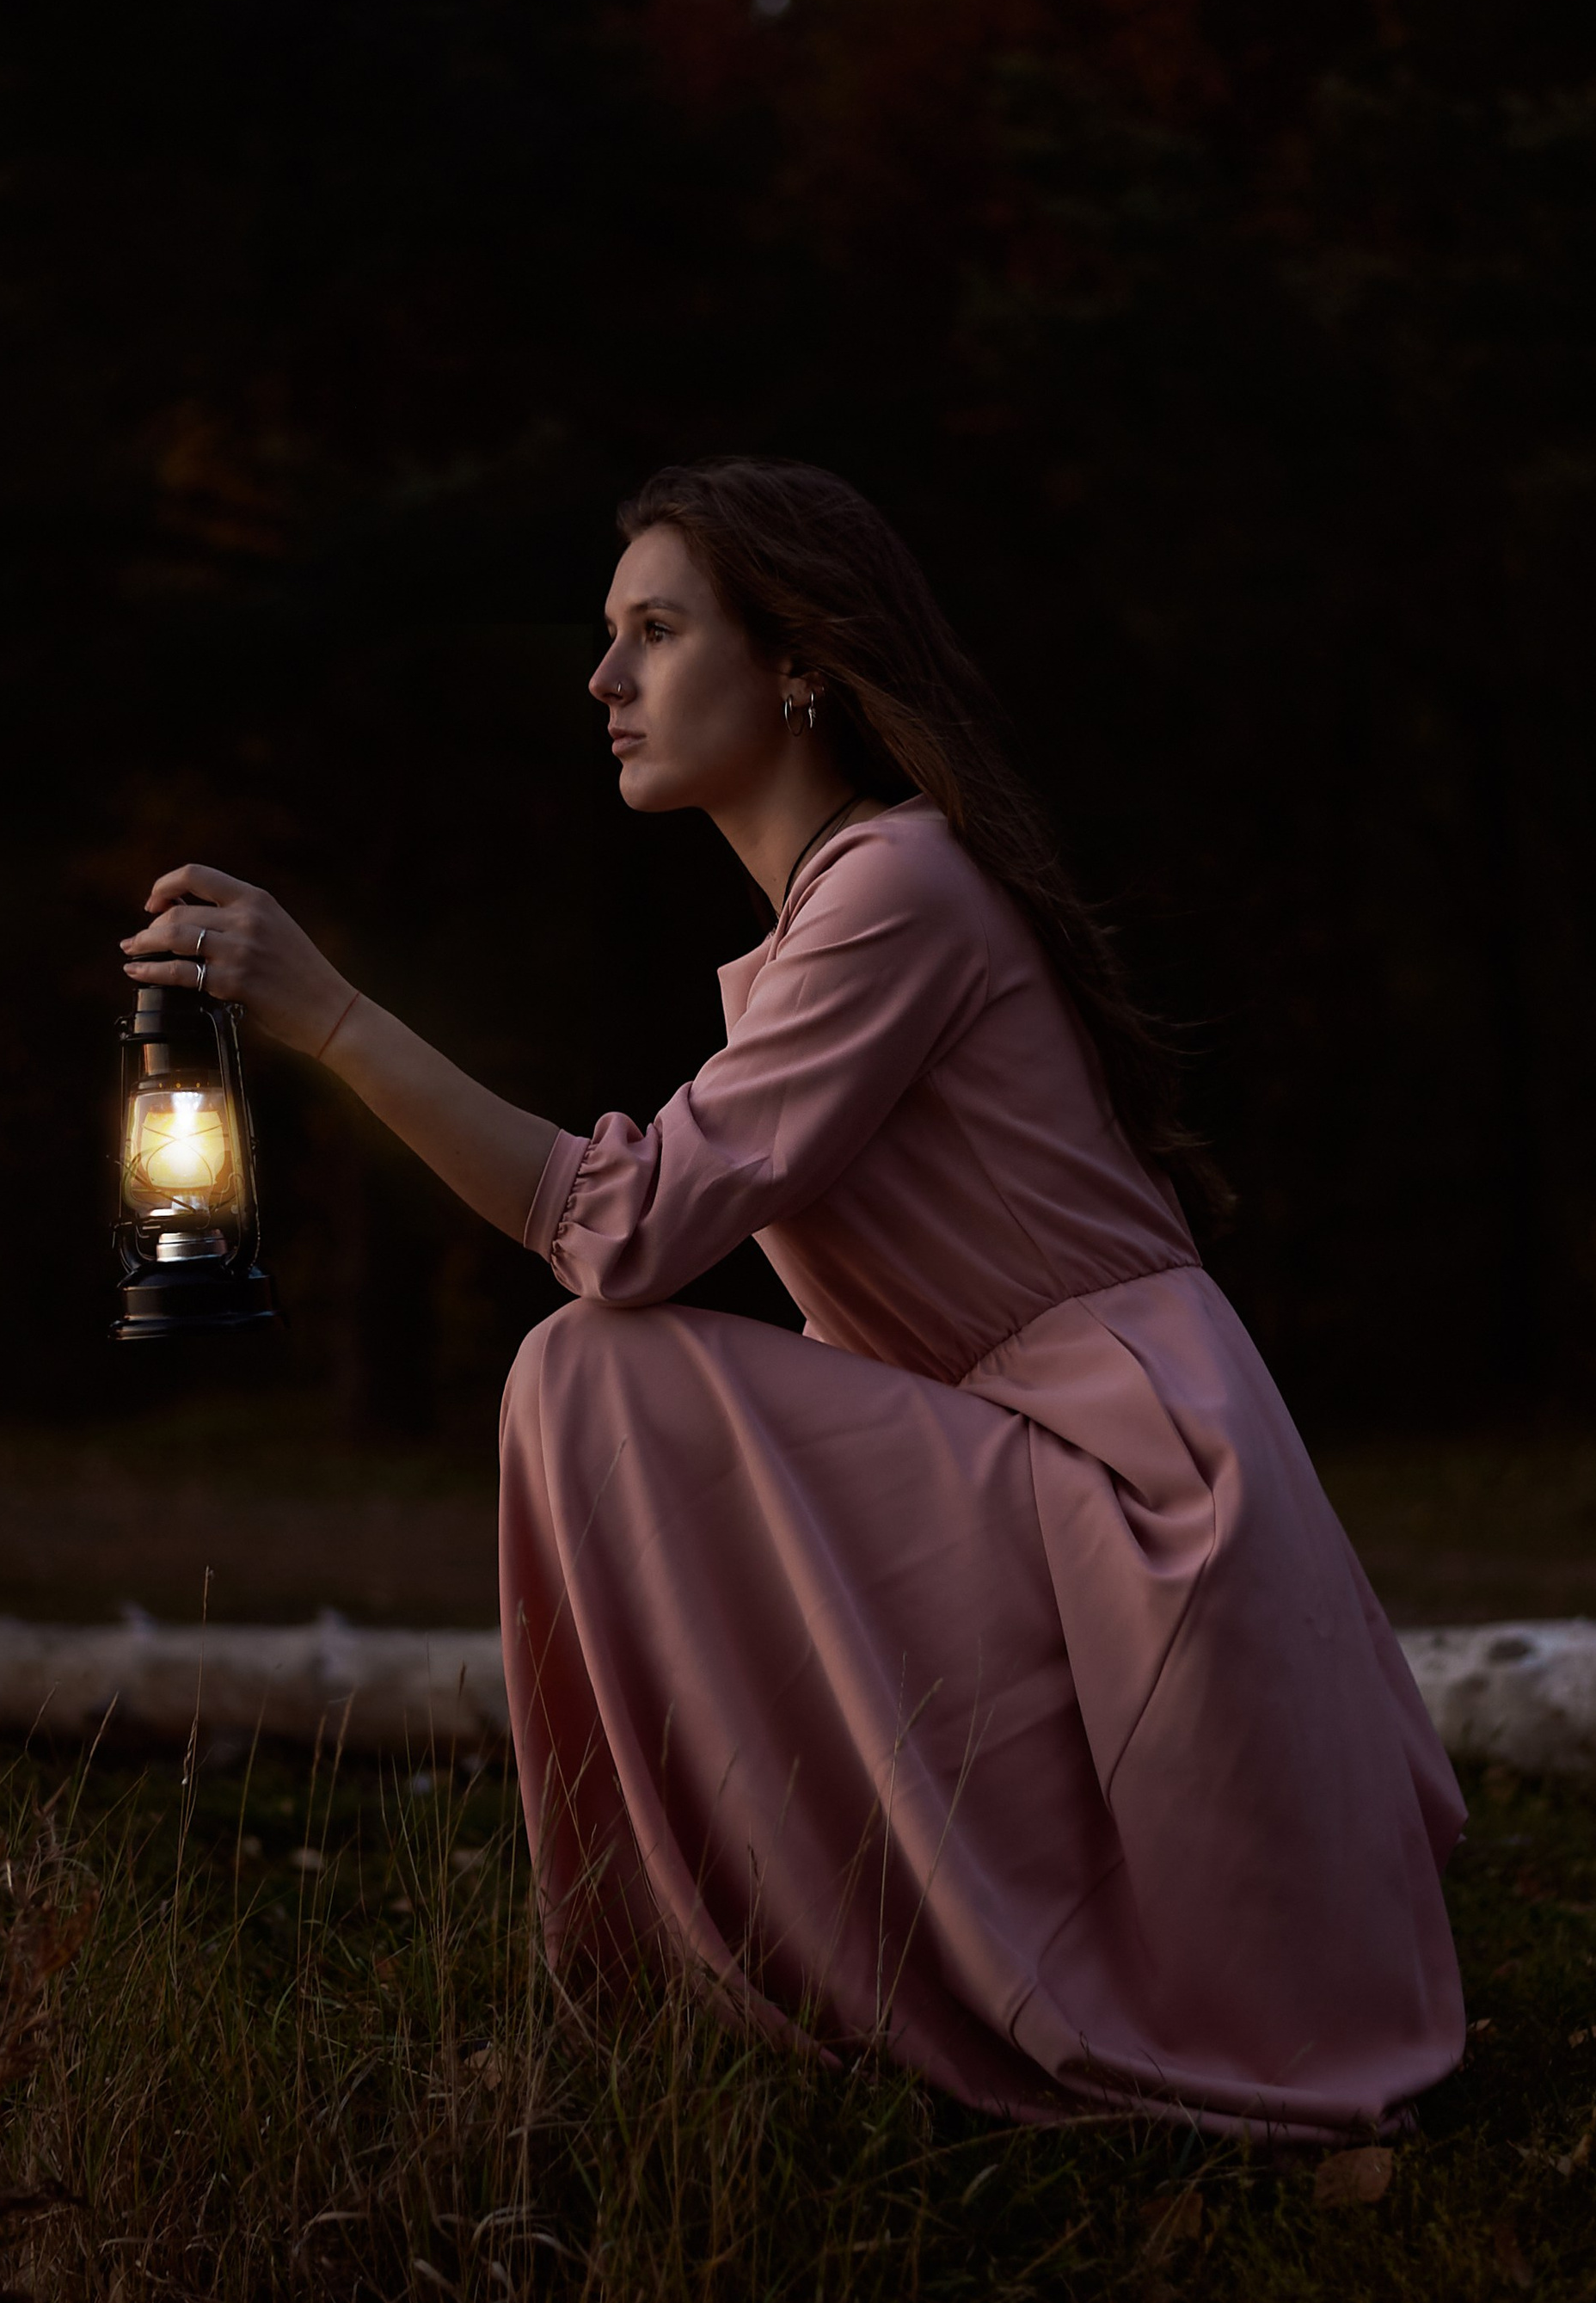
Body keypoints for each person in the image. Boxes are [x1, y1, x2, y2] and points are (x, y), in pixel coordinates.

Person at [122, 458, 1464, 2136]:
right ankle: (759, 1963)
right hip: (1042, 1463)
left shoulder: (896, 888)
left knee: (589, 1372)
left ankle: (724, 1967)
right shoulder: (839, 911)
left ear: (798, 664)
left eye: (656, 630)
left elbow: (623, 1229)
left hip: (1142, 1496)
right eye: (607, 636)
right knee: (591, 1380)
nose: (602, 680)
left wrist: (328, 1020)